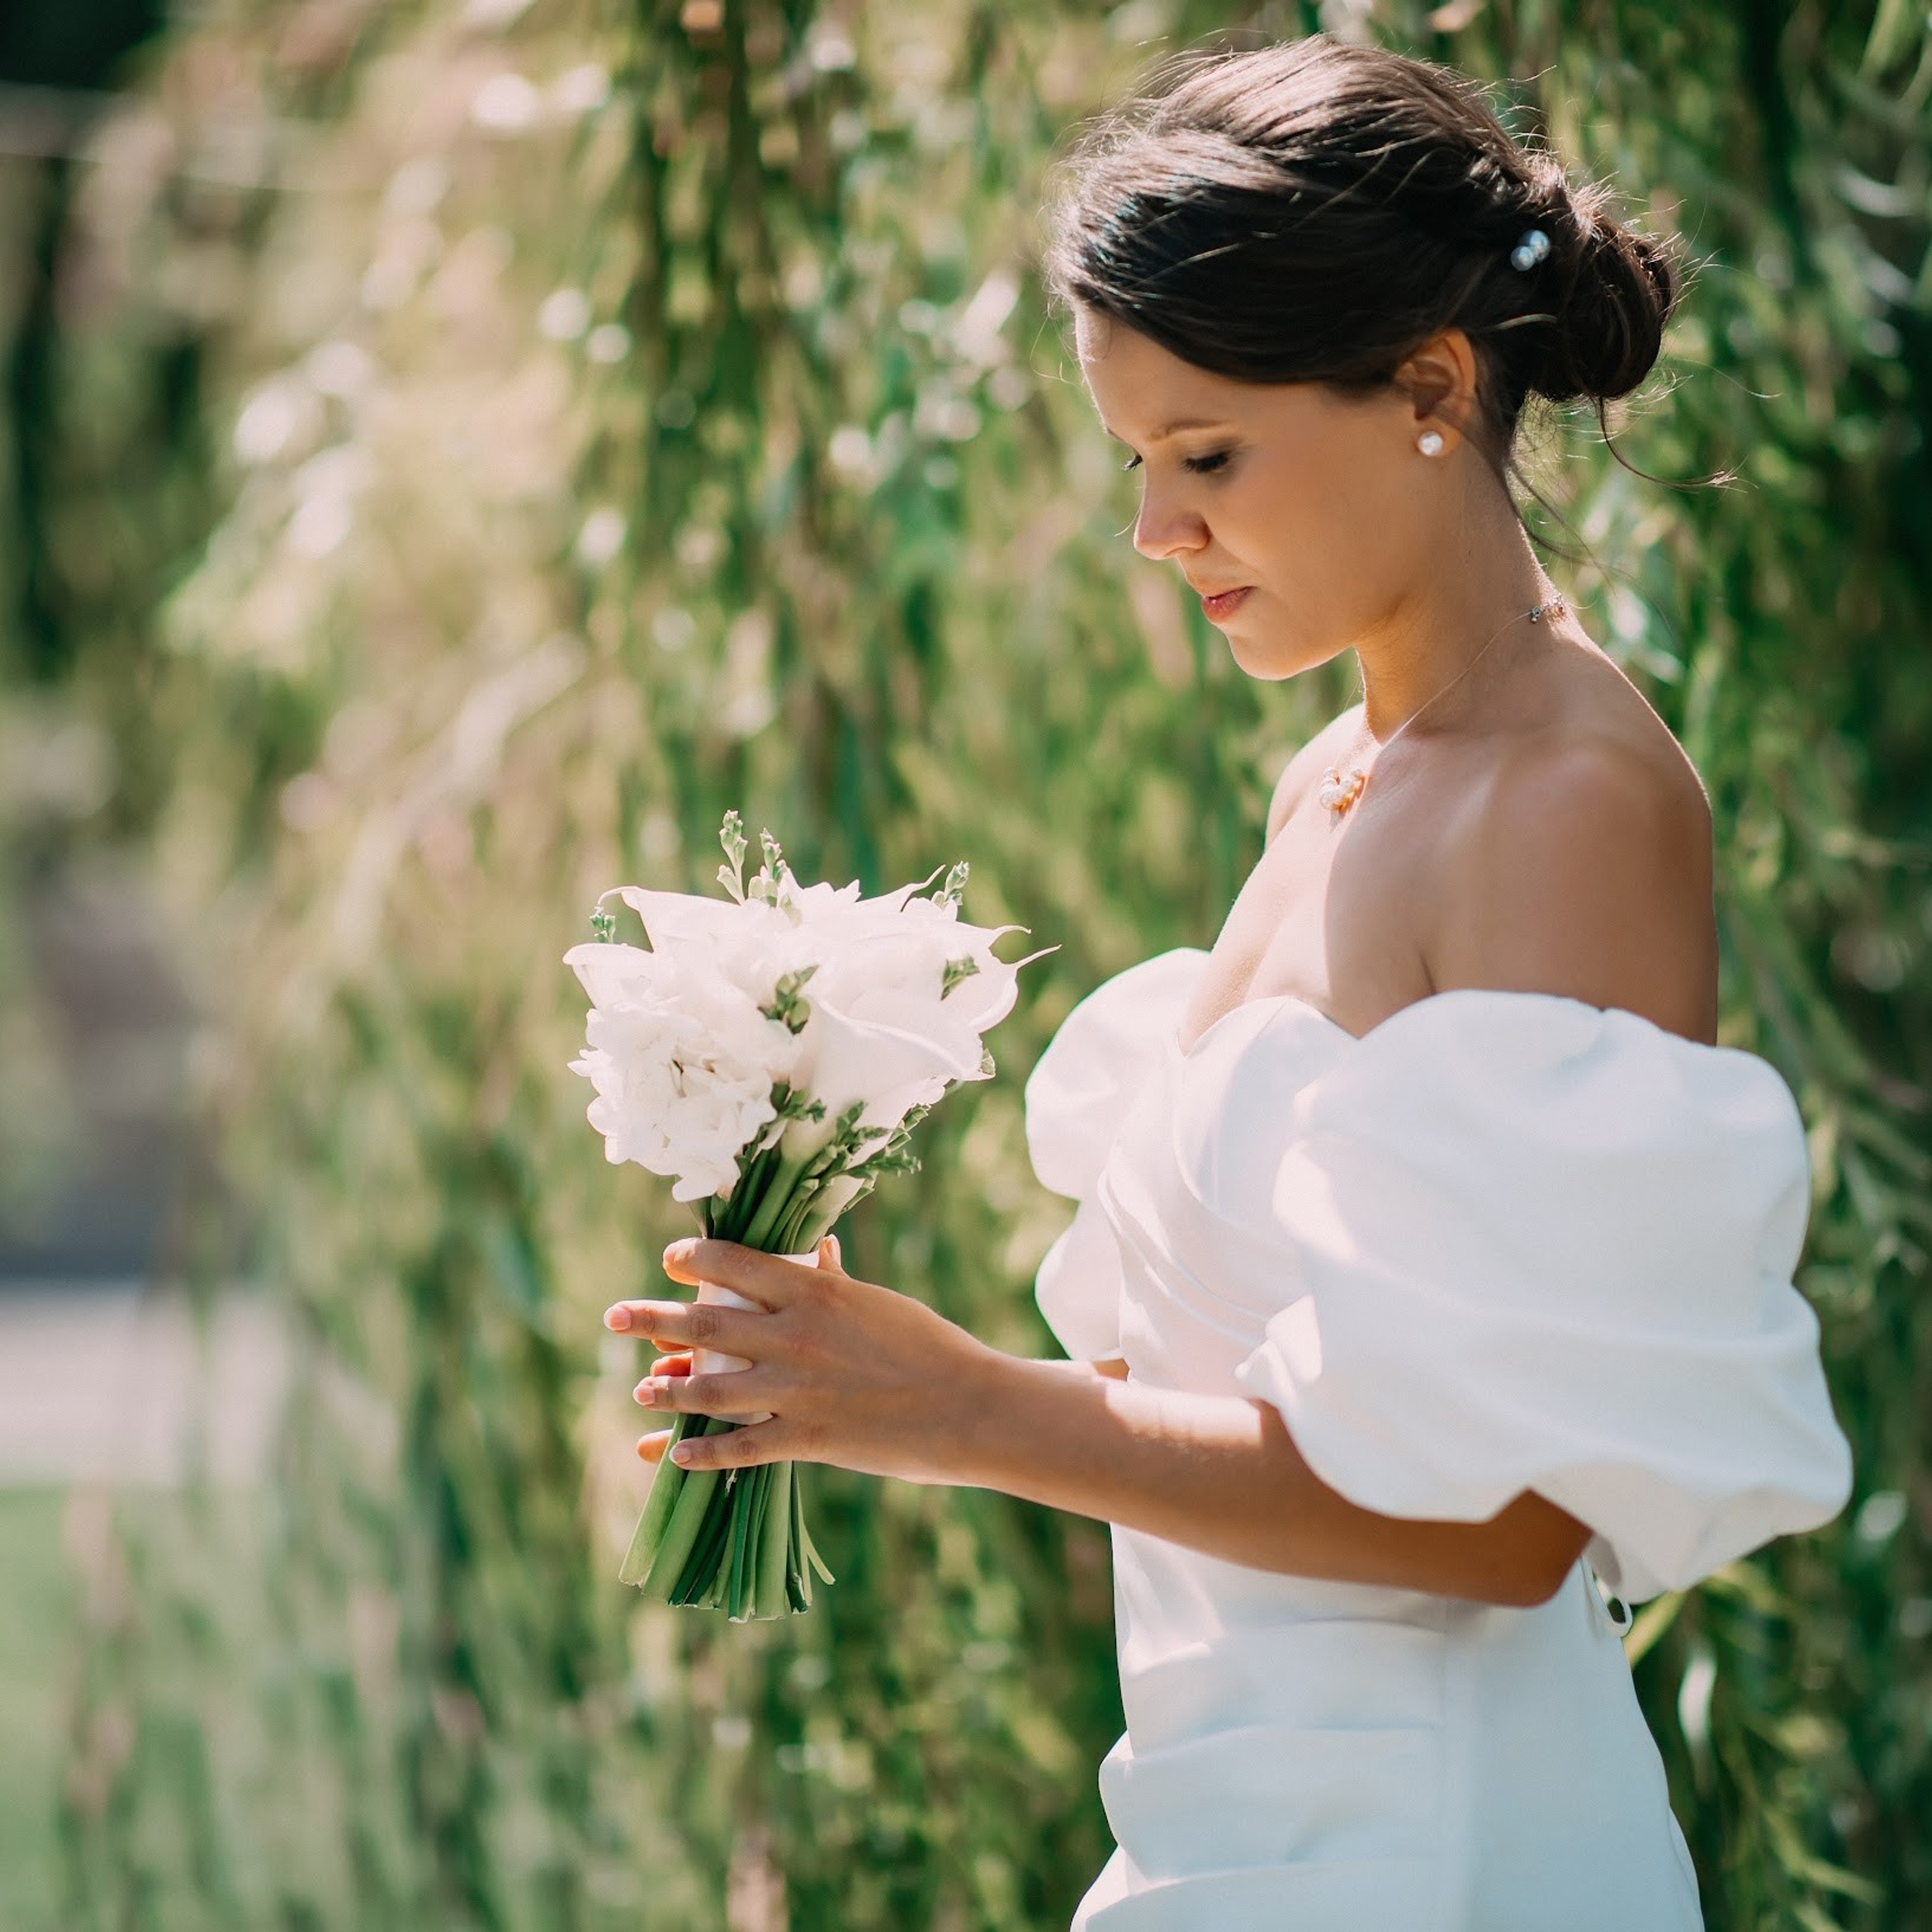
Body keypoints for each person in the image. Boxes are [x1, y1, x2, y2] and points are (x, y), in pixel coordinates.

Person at [601, 35, 1853, 1931]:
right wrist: (852, 1373)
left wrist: (963, 1407)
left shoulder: (1564, 800)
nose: (1152, 531)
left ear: (1431, 386)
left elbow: (1508, 1526)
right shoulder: (1339, 776)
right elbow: (1247, 1398)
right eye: (1134, 459)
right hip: (1228, 1817)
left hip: (1435, 1849)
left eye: (1207, 454)